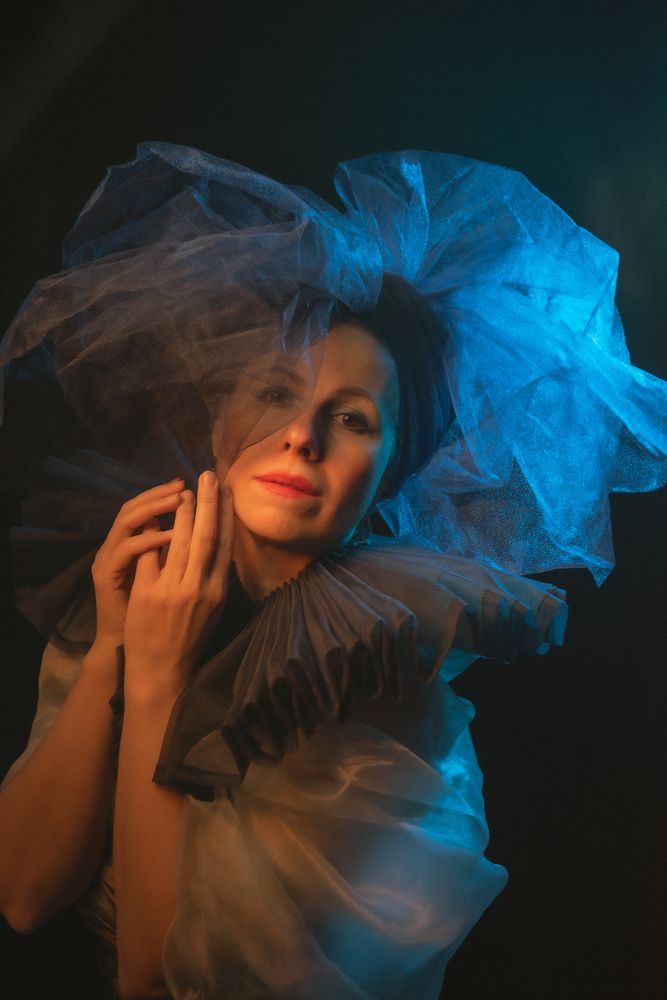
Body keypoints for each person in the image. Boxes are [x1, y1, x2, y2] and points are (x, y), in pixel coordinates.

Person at [0, 144, 665, 1000]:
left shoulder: (372, 677)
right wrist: (112, 654)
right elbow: (22, 894)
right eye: (275, 393)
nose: (300, 437)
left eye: (350, 419)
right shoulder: (145, 584)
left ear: (387, 476)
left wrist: (161, 675)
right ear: (219, 420)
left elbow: (157, 982)